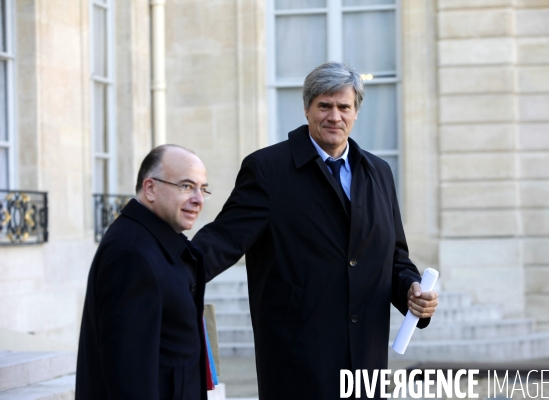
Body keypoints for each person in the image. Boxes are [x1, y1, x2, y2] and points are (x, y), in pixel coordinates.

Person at [193, 62, 439, 399]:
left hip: (365, 364)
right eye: (324, 105)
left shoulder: (379, 173)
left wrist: (411, 289)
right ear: (307, 108)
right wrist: (171, 271)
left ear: (356, 112)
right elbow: (222, 239)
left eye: (343, 107)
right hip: (298, 364)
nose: (334, 116)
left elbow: (393, 255)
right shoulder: (267, 170)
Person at [76, 145, 211, 400]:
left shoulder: (153, 243)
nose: (198, 199)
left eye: (202, 189)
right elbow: (129, 377)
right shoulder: (131, 252)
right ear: (150, 188)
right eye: (186, 186)